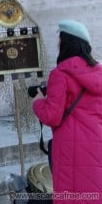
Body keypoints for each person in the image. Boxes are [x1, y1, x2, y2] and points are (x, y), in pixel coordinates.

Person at [32, 20, 102, 202]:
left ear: (66, 43)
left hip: (69, 147)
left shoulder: (60, 74)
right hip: (96, 142)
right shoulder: (98, 73)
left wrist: (38, 102)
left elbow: (52, 116)